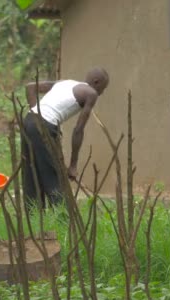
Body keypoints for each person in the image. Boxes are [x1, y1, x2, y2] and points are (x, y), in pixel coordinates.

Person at [21, 67, 109, 211]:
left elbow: (30, 87)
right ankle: (64, 220)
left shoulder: (65, 83)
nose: (102, 93)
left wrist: (35, 111)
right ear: (96, 82)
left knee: (31, 173)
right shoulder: (91, 93)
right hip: (44, 125)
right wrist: (73, 165)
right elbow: (78, 130)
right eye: (103, 88)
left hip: (29, 121)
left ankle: (34, 218)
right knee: (53, 176)